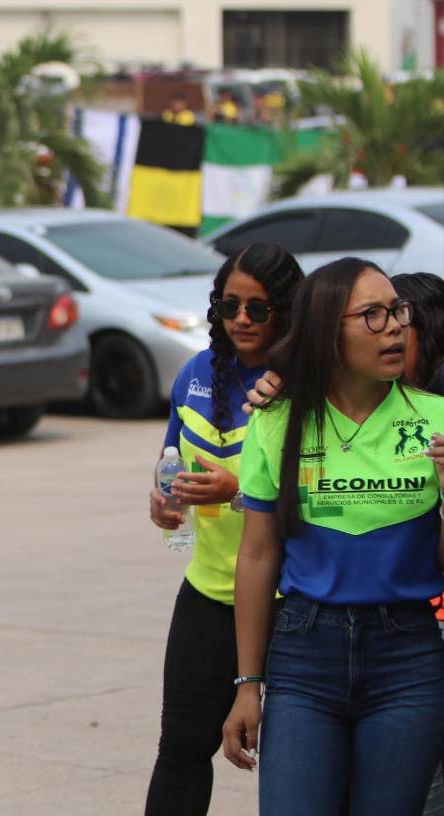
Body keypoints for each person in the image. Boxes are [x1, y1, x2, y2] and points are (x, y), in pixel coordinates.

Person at [221, 258, 444, 814]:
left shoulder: (436, 419)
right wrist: (248, 684)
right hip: (304, 653)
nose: (395, 328)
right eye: (372, 315)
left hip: (408, 655)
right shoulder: (276, 419)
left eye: (397, 311)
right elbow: (257, 554)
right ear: (326, 330)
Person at [145, 242, 303, 815]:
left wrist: (237, 492)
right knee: (182, 748)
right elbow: (171, 459)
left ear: (287, 310)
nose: (240, 319)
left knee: (296, 764)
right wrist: (163, 501)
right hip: (209, 591)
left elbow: (324, 501)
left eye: (257, 308)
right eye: (228, 305)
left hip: (294, 601)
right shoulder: (196, 373)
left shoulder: (307, 384)